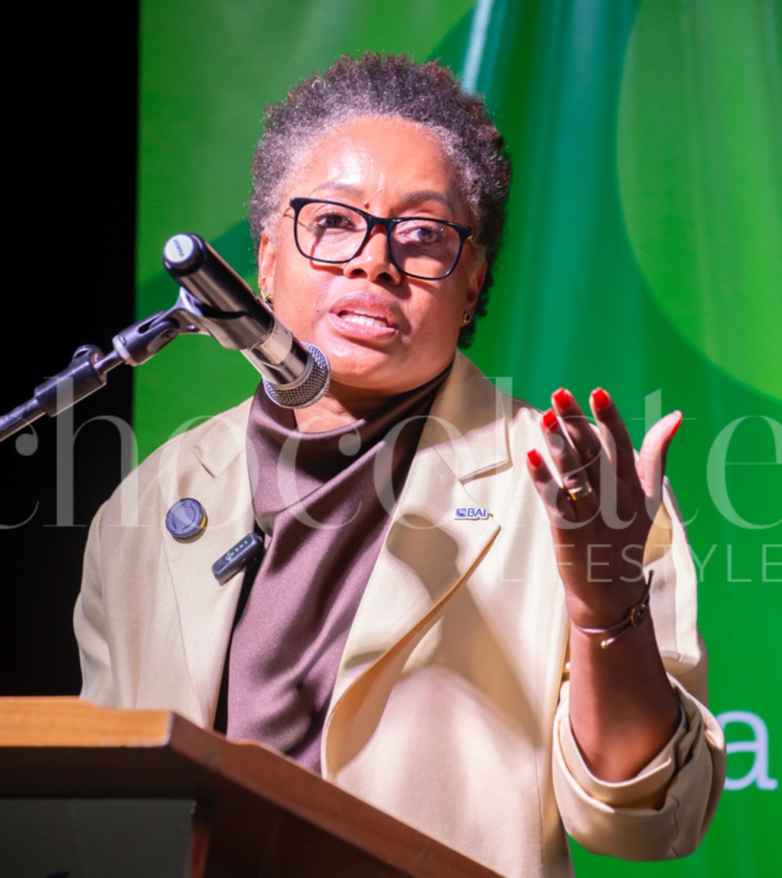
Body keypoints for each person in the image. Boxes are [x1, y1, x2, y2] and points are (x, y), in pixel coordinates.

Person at [74, 53, 725, 877]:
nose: (372, 260)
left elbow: (646, 822)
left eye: (421, 235)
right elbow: (99, 799)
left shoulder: (582, 491)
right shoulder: (152, 500)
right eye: (332, 222)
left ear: (471, 283)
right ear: (265, 259)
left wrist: (606, 607)